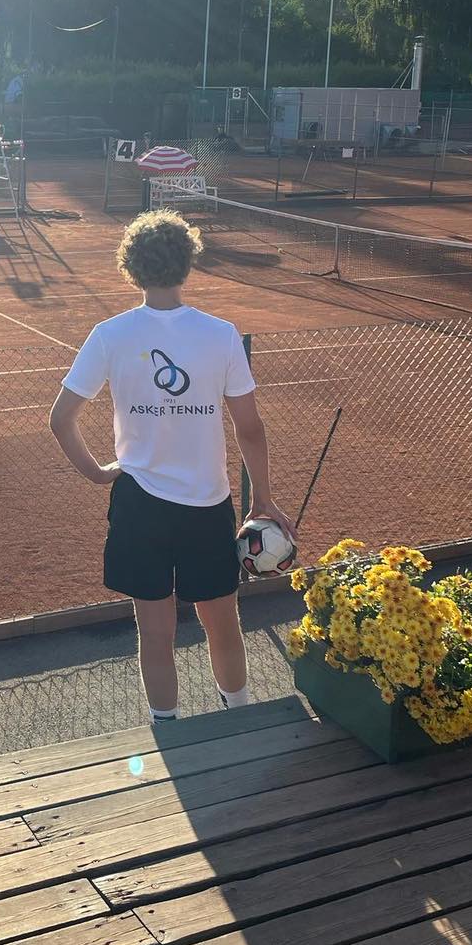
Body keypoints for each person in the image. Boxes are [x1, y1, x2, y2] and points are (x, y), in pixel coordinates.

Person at [49, 209, 295, 723]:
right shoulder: (221, 334)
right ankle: (240, 720)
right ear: (188, 264)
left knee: (155, 633)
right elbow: (249, 427)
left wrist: (97, 472)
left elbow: (60, 419)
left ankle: (168, 729)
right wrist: (264, 498)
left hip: (138, 503)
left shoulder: (110, 334)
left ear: (130, 267)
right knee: (222, 624)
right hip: (208, 503)